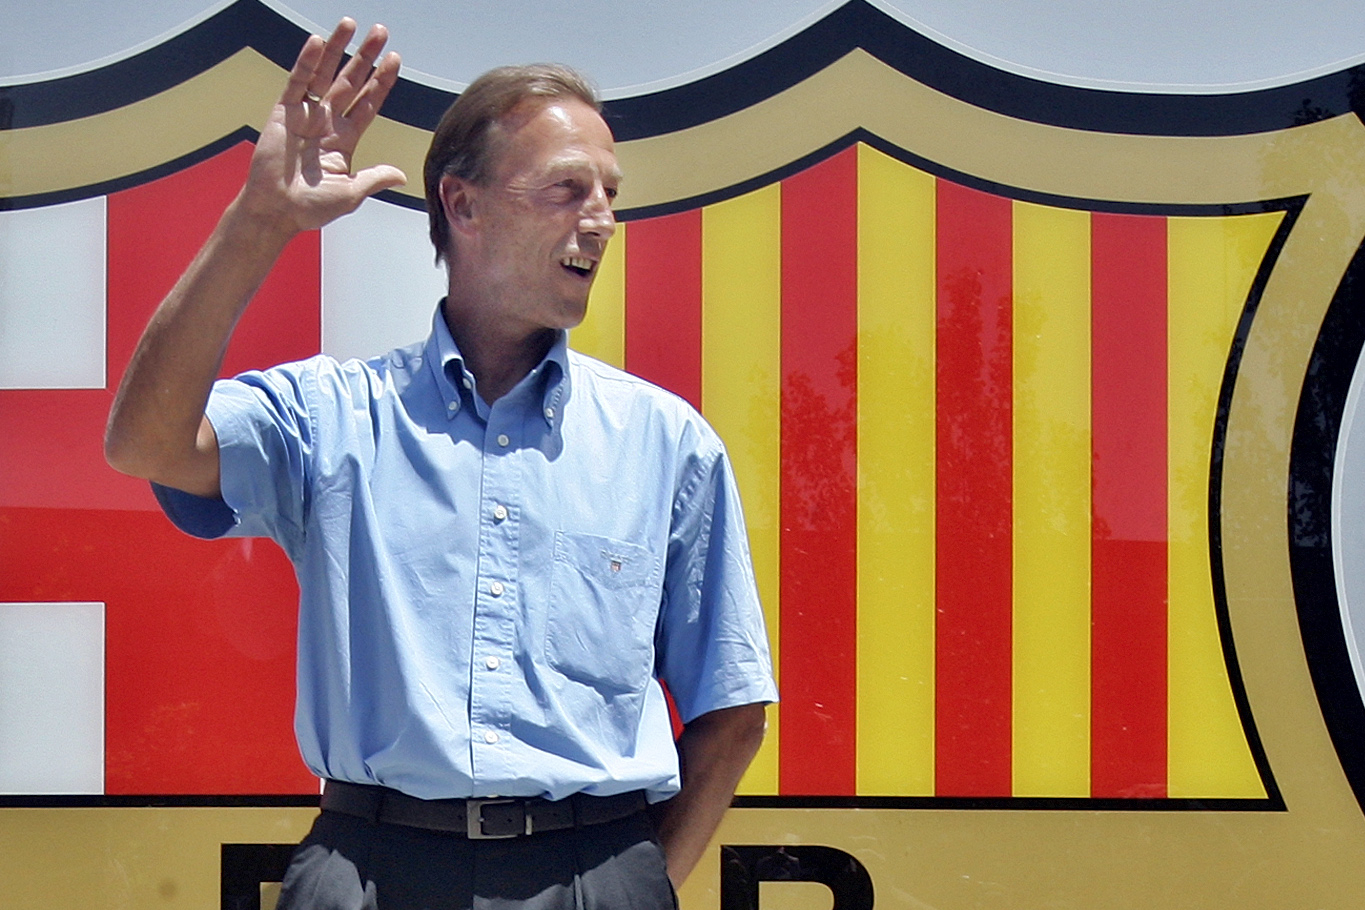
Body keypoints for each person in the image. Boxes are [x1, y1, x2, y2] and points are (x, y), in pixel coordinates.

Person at [103, 18, 776, 910]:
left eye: (609, 192)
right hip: (368, 869)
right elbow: (143, 444)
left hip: (596, 868)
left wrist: (637, 882)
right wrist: (259, 222)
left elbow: (731, 711)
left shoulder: (666, 442)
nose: (602, 220)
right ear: (462, 206)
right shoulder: (330, 414)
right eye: (566, 189)